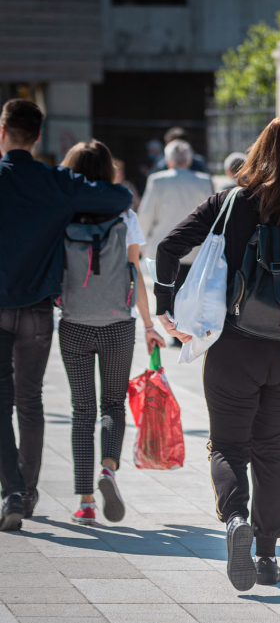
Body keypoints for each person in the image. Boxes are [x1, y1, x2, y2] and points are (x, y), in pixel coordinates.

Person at [155, 116, 280, 590]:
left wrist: (165, 305)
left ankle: (235, 522)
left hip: (234, 342)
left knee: (229, 446)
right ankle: (267, 558)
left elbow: (169, 247)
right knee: (273, 450)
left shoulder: (232, 201)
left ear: (260, 151)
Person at [0, 99, 132, 531]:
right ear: (38, 137)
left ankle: (11, 492)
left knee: (4, 402)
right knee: (29, 401)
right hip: (38, 310)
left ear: (2, 133)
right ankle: (30, 490)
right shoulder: (55, 181)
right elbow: (120, 196)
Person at [57, 141, 167, 525]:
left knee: (82, 410)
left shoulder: (63, 211)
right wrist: (149, 325)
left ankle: (86, 501)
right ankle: (108, 469)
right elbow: (135, 272)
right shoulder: (125, 215)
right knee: (112, 405)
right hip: (118, 324)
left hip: (74, 322)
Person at [138, 139, 214, 294]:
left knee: (165, 297)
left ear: (167, 160)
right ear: (189, 160)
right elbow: (212, 217)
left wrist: (141, 245)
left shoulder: (157, 181)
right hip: (195, 250)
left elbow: (146, 215)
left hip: (163, 248)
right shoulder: (204, 181)